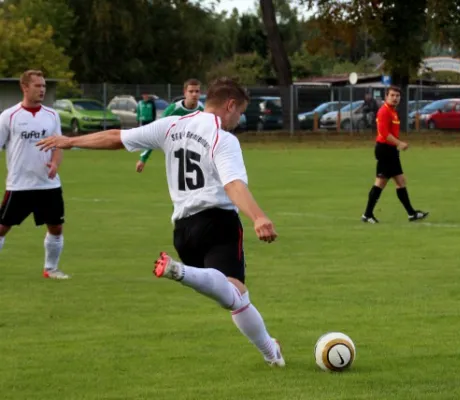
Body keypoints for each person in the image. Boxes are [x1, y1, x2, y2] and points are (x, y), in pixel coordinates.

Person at [37, 77, 285, 366]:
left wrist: (71, 141)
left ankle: (271, 351)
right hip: (218, 223)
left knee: (236, 297)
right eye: (240, 111)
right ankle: (181, 273)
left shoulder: (172, 125)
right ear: (230, 105)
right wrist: (258, 217)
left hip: (183, 231)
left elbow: (117, 137)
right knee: (234, 293)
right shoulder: (223, 138)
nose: (239, 119)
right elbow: (232, 184)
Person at [0, 70, 69, 279]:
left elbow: (59, 145)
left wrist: (55, 164)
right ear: (25, 87)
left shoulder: (52, 115)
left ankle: (50, 269)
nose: (42, 90)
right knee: (2, 227)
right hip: (19, 184)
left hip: (48, 185)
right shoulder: (8, 116)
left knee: (56, 227)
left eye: (44, 86)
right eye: (38, 86)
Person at [361, 86, 429, 223]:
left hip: (391, 150)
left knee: (398, 181)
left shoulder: (393, 111)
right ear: (386, 96)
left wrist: (397, 145)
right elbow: (384, 134)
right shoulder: (384, 111)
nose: (395, 98)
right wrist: (399, 143)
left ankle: (411, 213)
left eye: (397, 96)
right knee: (382, 182)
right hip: (385, 149)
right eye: (392, 95)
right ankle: (367, 214)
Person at [136, 79, 204, 173]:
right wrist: (143, 158)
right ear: (185, 93)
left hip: (196, 154)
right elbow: (156, 132)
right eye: (191, 91)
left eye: (197, 91)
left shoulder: (203, 110)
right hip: (175, 153)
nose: (194, 94)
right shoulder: (173, 110)